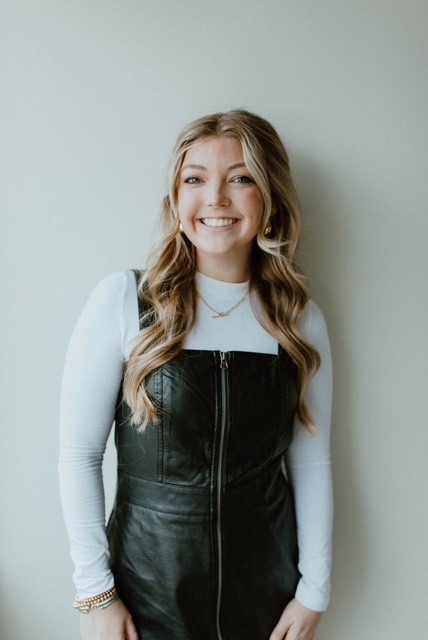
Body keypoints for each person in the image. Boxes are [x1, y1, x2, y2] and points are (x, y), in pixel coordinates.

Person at [59, 109, 333, 640]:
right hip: (141, 597)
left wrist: (314, 591)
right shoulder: (124, 300)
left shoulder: (299, 319)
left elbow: (311, 461)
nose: (216, 198)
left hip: (267, 599)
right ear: (176, 198)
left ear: (270, 197)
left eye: (241, 179)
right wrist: (95, 593)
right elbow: (78, 455)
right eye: (195, 179)